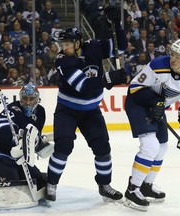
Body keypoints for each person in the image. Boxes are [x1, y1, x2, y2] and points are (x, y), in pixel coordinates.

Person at [45, 5, 128, 203]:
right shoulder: (62, 60)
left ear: (78, 42)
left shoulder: (93, 47)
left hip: (91, 111)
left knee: (103, 149)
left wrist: (117, 24)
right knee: (63, 147)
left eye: (67, 43)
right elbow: (82, 85)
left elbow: (121, 47)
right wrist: (109, 78)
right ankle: (51, 183)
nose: (63, 47)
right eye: (62, 44)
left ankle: (104, 185)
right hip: (67, 111)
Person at [123, 39, 180, 211]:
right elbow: (134, 88)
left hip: (156, 107)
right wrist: (153, 101)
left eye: (179, 56)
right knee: (150, 146)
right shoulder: (157, 65)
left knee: (162, 146)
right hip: (138, 103)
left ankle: (146, 185)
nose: (173, 59)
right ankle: (132, 189)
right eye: (173, 53)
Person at [0, 83, 54, 191]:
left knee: (39, 182)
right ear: (20, 98)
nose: (28, 102)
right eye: (25, 98)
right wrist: (13, 139)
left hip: (19, 160)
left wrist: (39, 143)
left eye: (31, 99)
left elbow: (33, 135)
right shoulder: (13, 109)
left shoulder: (40, 112)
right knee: (13, 185)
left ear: (37, 99)